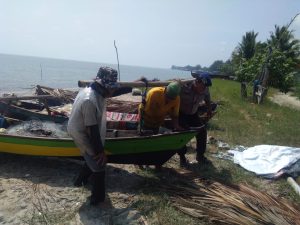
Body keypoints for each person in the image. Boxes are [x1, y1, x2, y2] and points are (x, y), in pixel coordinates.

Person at [67, 66, 118, 206]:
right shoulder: (90, 100)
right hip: (80, 131)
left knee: (91, 157)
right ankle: (97, 198)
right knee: (99, 164)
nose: (113, 90)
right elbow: (93, 130)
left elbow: (119, 90)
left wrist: (137, 83)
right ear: (103, 86)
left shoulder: (94, 90)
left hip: (84, 127)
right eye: (111, 87)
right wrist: (101, 152)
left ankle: (80, 181)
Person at [178, 71, 216, 167]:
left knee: (202, 132)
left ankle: (200, 156)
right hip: (180, 113)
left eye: (205, 87)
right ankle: (182, 157)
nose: (203, 89)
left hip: (193, 113)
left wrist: (209, 109)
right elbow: (170, 91)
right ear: (197, 82)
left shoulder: (205, 89)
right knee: (181, 134)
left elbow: (207, 98)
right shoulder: (183, 86)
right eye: (202, 86)